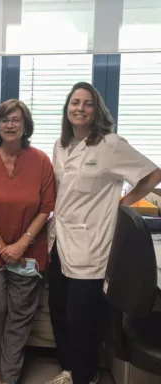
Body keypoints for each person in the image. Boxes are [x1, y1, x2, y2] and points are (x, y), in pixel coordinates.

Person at [46, 82, 161, 384]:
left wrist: (123, 202)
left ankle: (85, 376)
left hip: (92, 245)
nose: (79, 108)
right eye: (74, 102)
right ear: (66, 108)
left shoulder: (110, 144)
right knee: (58, 310)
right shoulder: (61, 145)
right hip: (59, 240)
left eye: (87, 103)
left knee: (80, 318)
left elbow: (152, 174)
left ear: (96, 110)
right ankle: (70, 370)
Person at [0, 99, 56, 384]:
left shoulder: (41, 160)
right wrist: (3, 247)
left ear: (26, 125)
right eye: (5, 119)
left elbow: (46, 208)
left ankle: (8, 374)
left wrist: (21, 244)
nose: (10, 124)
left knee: (20, 312)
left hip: (29, 252)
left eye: (16, 119)